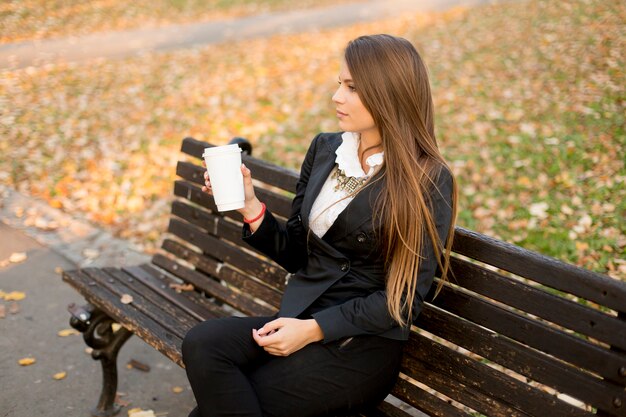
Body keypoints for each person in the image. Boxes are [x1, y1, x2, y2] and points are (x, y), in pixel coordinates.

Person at [182, 34, 457, 417]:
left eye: (352, 88)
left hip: (360, 344)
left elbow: (402, 302)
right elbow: (297, 253)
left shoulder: (426, 178)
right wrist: (249, 206)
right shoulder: (327, 149)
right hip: (300, 318)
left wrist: (312, 330)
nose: (337, 97)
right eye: (339, 84)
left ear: (389, 93)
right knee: (202, 343)